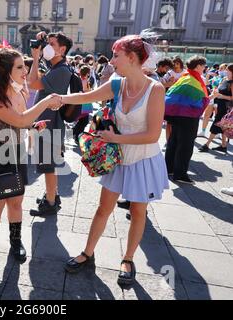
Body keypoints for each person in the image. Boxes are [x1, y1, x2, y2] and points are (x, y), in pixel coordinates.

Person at [56, 35, 168, 285]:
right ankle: (88, 253)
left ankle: (127, 259)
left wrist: (114, 138)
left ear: (131, 58)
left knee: (138, 211)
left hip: (142, 159)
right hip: (117, 158)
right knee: (103, 208)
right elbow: (87, 97)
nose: (111, 60)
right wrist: (61, 99)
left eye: (116, 55)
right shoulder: (118, 83)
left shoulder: (155, 89)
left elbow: (152, 135)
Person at [0, 48, 61, 264]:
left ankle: (16, 242)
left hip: (17, 152)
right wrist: (45, 103)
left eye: (23, 66)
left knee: (16, 202)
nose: (24, 70)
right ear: (5, 71)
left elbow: (21, 122)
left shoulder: (20, 91)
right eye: (19, 67)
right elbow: (20, 120)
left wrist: (32, 127)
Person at [28, 31, 74, 216]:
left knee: (47, 165)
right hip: (47, 122)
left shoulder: (61, 70)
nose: (48, 47)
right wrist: (43, 41)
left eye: (52, 44)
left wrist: (35, 58)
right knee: (49, 164)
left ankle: (50, 202)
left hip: (49, 123)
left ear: (62, 50)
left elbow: (33, 83)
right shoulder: (58, 67)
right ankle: (52, 195)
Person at [165, 56, 209, 185]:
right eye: (203, 66)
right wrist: (208, 98)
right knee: (185, 146)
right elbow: (201, 99)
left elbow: (171, 94)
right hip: (188, 117)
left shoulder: (185, 77)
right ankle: (180, 174)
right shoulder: (193, 80)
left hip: (178, 115)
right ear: (198, 66)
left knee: (173, 142)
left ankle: (169, 169)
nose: (204, 68)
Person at [199, 63, 233, 154]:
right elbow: (218, 90)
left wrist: (221, 96)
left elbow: (232, 98)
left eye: (228, 70)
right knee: (222, 126)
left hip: (226, 108)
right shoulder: (225, 80)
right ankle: (223, 146)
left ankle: (207, 144)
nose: (226, 71)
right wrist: (215, 93)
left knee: (217, 124)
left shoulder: (232, 83)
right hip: (220, 105)